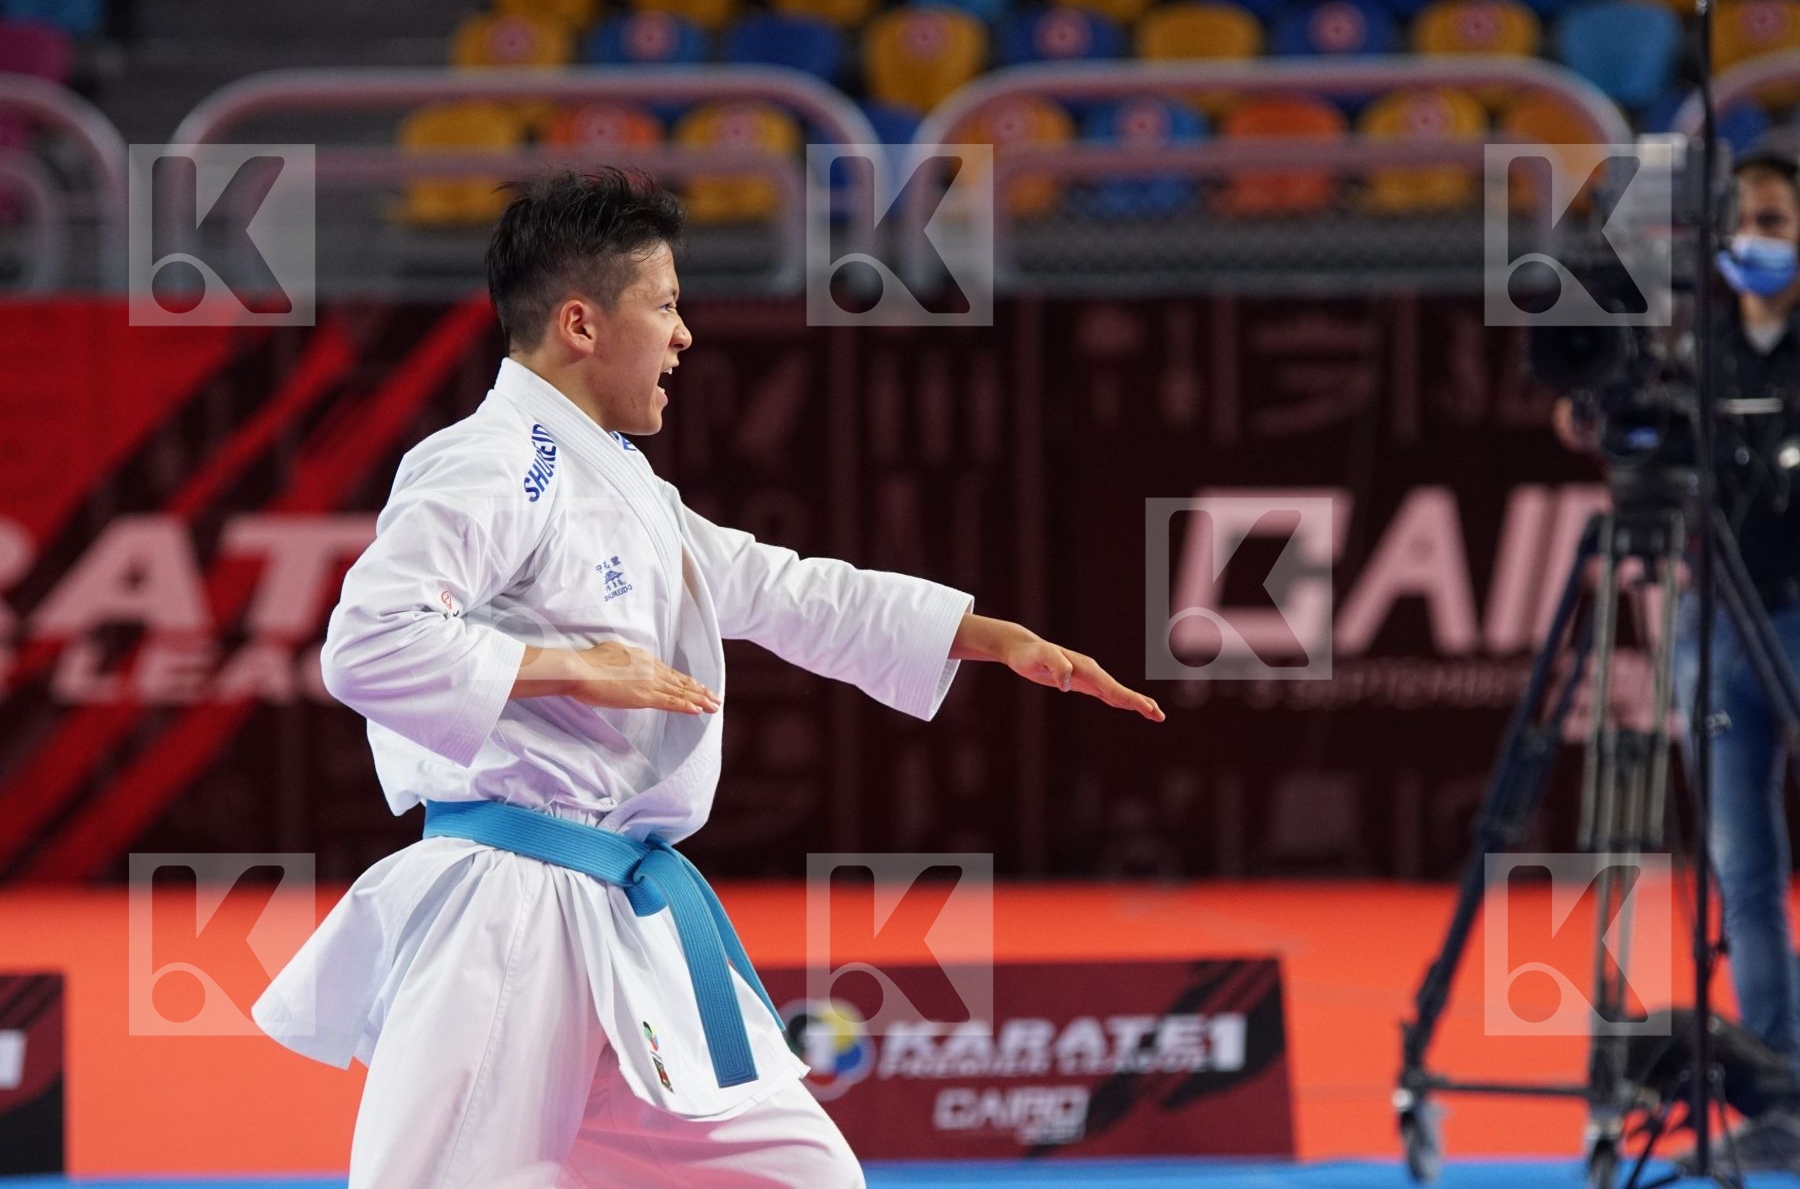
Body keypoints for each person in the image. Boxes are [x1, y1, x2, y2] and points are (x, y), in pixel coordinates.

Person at [251, 168, 1165, 1188]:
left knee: (802, 1177)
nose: (684, 336)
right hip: (507, 914)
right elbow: (368, 645)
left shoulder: (620, 480)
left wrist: (988, 638)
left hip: (617, 914)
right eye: (666, 304)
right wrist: (569, 669)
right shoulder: (491, 461)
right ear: (581, 324)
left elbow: (781, 589)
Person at [1556, 148, 1800, 1170]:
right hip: (1714, 618)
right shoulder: (1690, 347)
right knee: (1744, 867)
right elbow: (1620, 436)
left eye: (1777, 220)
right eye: (1743, 221)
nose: (1757, 238)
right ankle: (1780, 1091)